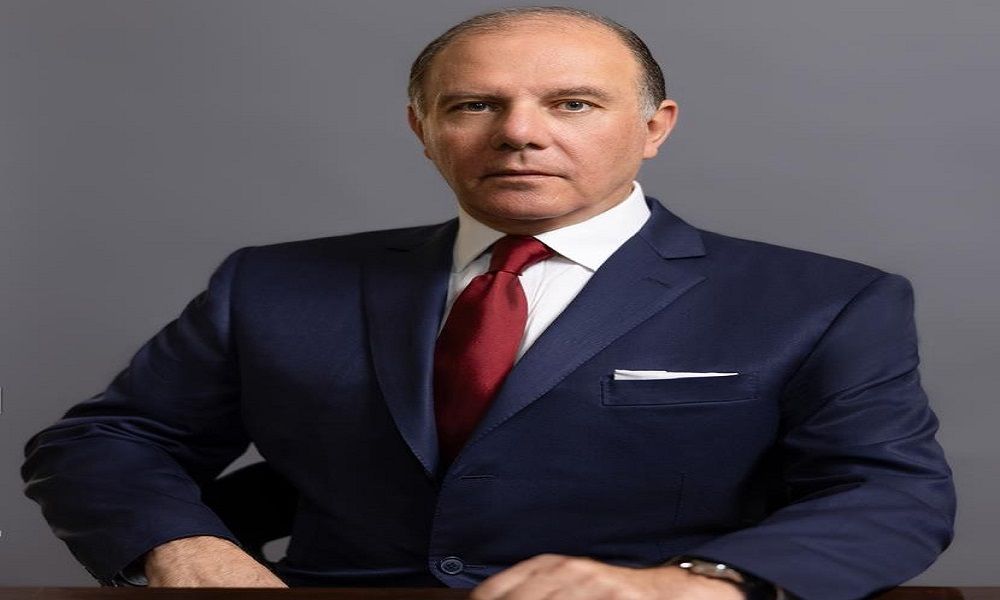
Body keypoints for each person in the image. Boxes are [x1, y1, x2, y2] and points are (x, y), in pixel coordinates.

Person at [22, 7, 955, 600]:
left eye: (573, 104)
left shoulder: (824, 300)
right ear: (422, 128)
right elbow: (105, 440)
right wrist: (180, 546)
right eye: (473, 105)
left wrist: (694, 584)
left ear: (654, 127)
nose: (519, 134)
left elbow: (891, 495)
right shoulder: (274, 284)